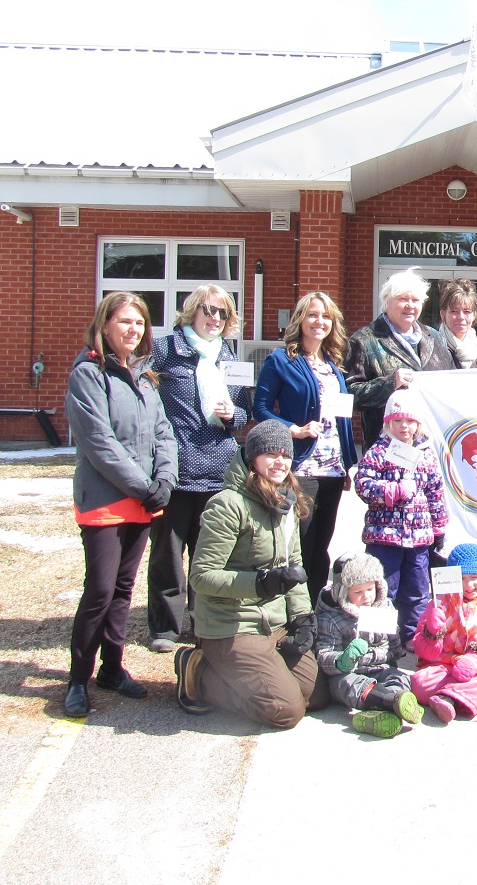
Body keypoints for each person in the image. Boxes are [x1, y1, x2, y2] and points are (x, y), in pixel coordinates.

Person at [63, 291, 177, 718]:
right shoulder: (88, 374)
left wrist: (165, 479)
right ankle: (78, 679)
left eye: (140, 323)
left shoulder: (146, 376)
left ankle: (112, 668)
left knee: (124, 590)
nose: (133, 330)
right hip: (107, 499)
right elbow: (99, 443)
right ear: (105, 325)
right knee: (99, 590)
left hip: (145, 498)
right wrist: (142, 485)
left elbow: (164, 433)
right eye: (125, 322)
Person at [175, 421, 324, 727]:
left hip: (275, 622)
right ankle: (198, 671)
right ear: (252, 457)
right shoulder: (228, 504)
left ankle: (262, 673)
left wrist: (302, 616)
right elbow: (201, 576)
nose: (279, 461)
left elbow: (294, 564)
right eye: (270, 454)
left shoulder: (286, 501)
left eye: (285, 454)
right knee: (286, 712)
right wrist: (259, 584)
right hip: (232, 624)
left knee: (317, 694)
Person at [146, 286, 250, 654]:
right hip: (175, 466)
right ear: (191, 310)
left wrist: (231, 414)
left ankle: (202, 619)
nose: (215, 318)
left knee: (209, 553)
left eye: (223, 313)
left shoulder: (228, 356)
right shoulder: (164, 350)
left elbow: (243, 413)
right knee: (167, 554)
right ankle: (166, 626)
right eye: (208, 310)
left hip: (218, 467)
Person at [253, 290, 359, 601]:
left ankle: (313, 609)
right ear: (300, 320)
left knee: (322, 544)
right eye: (313, 314)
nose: (319, 321)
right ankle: (290, 607)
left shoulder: (333, 363)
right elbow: (260, 408)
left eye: (326, 316)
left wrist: (349, 464)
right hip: (302, 467)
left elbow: (341, 419)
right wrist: (293, 430)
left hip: (333, 468)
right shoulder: (282, 359)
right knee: (300, 542)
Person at [353, 390, 448, 645]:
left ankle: (412, 637)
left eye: (409, 421)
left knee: (417, 590)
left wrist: (438, 527)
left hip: (418, 539)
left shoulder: (426, 453)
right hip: (384, 537)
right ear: (387, 423)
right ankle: (378, 640)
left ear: (418, 423)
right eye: (397, 421)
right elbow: (361, 483)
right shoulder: (379, 451)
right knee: (383, 589)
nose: (404, 426)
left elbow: (436, 491)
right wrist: (389, 491)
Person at [313, 552, 424, 739]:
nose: (366, 597)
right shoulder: (331, 617)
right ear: (343, 591)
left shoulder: (384, 607)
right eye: (357, 592)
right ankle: (390, 703)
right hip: (348, 673)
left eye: (370, 589)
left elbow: (393, 649)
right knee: (346, 685)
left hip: (380, 668)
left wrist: (381, 653)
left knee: (400, 678)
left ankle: (385, 710)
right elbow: (323, 653)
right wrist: (342, 660)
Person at [346, 268, 452, 446]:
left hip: (432, 445)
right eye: (403, 299)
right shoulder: (364, 340)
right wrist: (390, 384)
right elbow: (349, 394)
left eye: (415, 300)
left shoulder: (435, 338)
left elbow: (449, 383)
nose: (410, 305)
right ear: (387, 302)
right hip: (386, 450)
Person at [411, 542, 477, 723]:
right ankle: (476, 695)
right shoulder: (439, 603)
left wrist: (474, 656)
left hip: (476, 665)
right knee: (420, 684)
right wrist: (431, 632)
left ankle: (449, 698)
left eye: (474, 577)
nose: (469, 585)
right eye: (462, 578)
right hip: (443, 665)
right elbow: (422, 650)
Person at [437, 277, 477, 368]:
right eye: (454, 311)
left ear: (474, 315)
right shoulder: (431, 347)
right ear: (443, 315)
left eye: (467, 311)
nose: (461, 317)